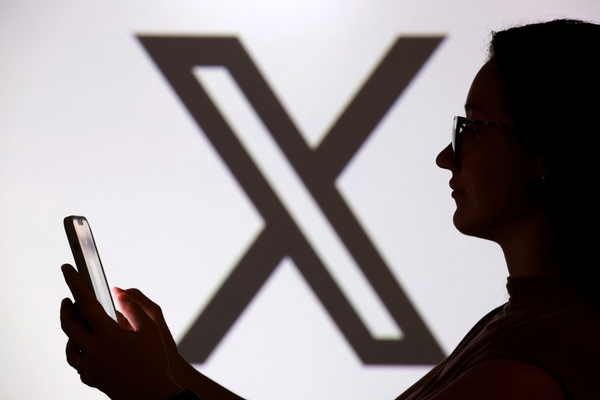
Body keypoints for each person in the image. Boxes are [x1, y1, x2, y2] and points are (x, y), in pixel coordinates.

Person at [60, 18, 600, 400]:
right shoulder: (525, 321)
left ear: (547, 153)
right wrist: (172, 371)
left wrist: (154, 393)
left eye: (472, 128)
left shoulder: (545, 356)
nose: (445, 156)